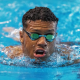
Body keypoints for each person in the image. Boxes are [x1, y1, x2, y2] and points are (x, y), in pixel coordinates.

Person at [2, 7, 79, 64]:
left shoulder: (67, 56)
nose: (42, 42)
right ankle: (12, 31)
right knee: (13, 35)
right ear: (21, 36)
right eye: (35, 35)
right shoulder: (10, 55)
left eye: (50, 35)